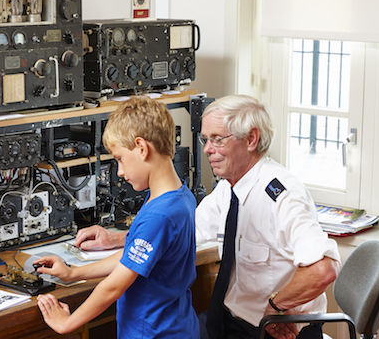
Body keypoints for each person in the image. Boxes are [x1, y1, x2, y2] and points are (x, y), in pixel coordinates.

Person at [75, 94, 341, 339]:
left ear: (251, 139)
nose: (207, 149)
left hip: (275, 329)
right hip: (231, 320)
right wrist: (116, 238)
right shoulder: (229, 187)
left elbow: (323, 269)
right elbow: (182, 231)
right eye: (205, 139)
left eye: (217, 139)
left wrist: (276, 307)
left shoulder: (282, 194)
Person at [35, 96, 200, 338]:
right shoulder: (179, 195)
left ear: (142, 148)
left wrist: (67, 323)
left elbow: (113, 286)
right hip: (177, 325)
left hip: (152, 332)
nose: (120, 172)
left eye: (120, 159)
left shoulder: (160, 214)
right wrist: (74, 273)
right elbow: (133, 256)